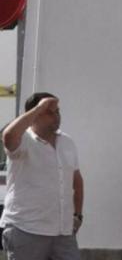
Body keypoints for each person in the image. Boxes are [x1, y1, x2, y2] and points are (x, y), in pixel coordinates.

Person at [0, 93, 84, 260]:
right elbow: (8, 137)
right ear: (34, 115)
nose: (56, 117)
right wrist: (39, 107)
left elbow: (76, 180)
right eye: (49, 112)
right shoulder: (24, 140)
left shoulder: (67, 142)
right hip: (26, 230)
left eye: (58, 112)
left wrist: (78, 215)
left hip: (63, 233)